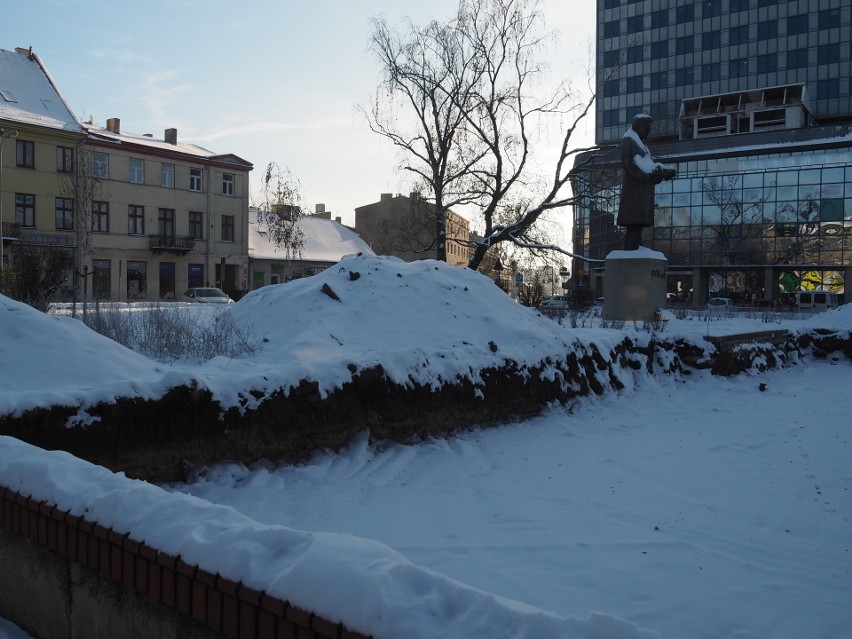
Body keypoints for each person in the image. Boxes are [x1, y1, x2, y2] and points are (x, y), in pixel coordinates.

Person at [617, 113, 676, 250]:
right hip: (634, 194)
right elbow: (629, 164)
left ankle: (635, 247)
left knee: (638, 227)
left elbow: (648, 166)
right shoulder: (629, 140)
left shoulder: (641, 143)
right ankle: (632, 249)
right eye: (646, 128)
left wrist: (661, 173)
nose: (648, 131)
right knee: (634, 225)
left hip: (641, 193)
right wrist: (649, 174)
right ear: (637, 126)